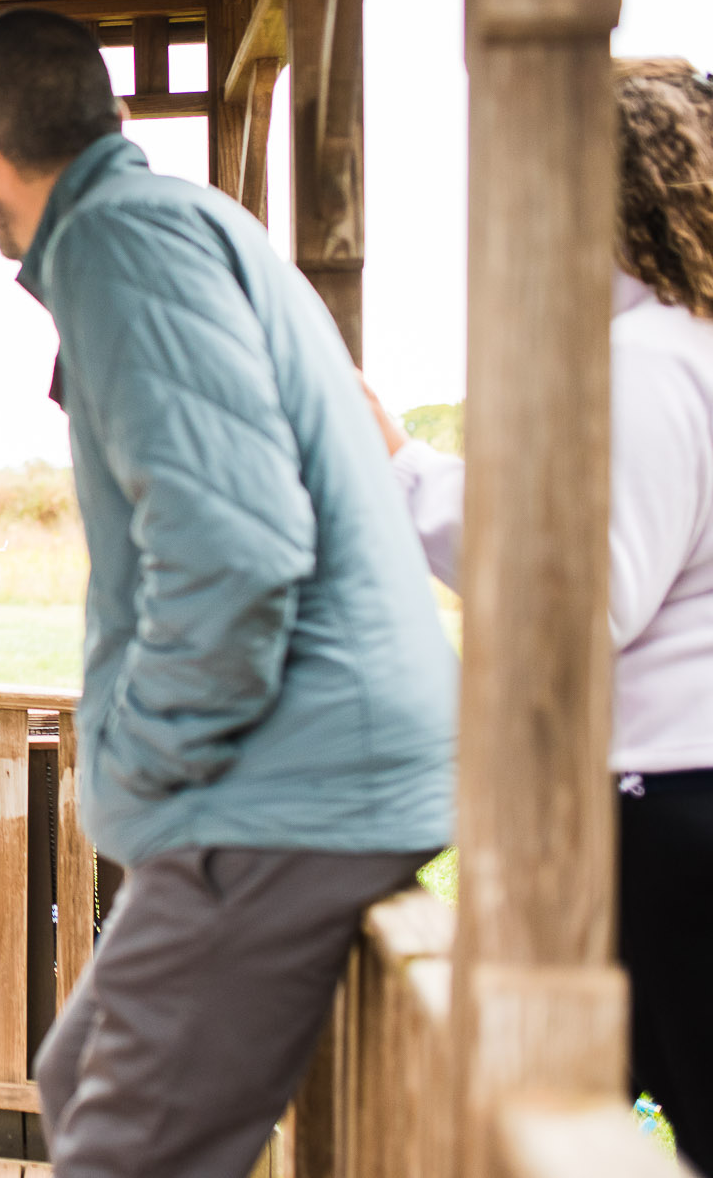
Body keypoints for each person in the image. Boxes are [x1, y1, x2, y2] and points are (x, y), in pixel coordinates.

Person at [0, 9, 454, 1177]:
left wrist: (140, 761)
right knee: (76, 1074)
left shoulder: (120, 244)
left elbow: (233, 549)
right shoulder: (174, 221)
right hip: (312, 767)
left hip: (283, 785)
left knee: (125, 1151)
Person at [367, 59, 713, 1173]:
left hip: (662, 817)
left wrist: (403, 473)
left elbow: (580, 593)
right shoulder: (668, 347)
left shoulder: (648, 360)